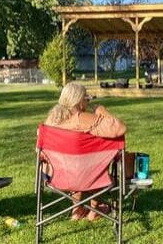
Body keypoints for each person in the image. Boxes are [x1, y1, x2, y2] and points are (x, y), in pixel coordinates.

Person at [42, 82, 126, 221]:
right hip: (86, 176)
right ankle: (94, 209)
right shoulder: (82, 118)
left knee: (75, 162)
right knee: (94, 164)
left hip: (54, 176)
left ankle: (77, 209)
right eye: (86, 98)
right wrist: (101, 110)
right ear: (79, 101)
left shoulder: (50, 121)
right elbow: (120, 128)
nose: (87, 101)